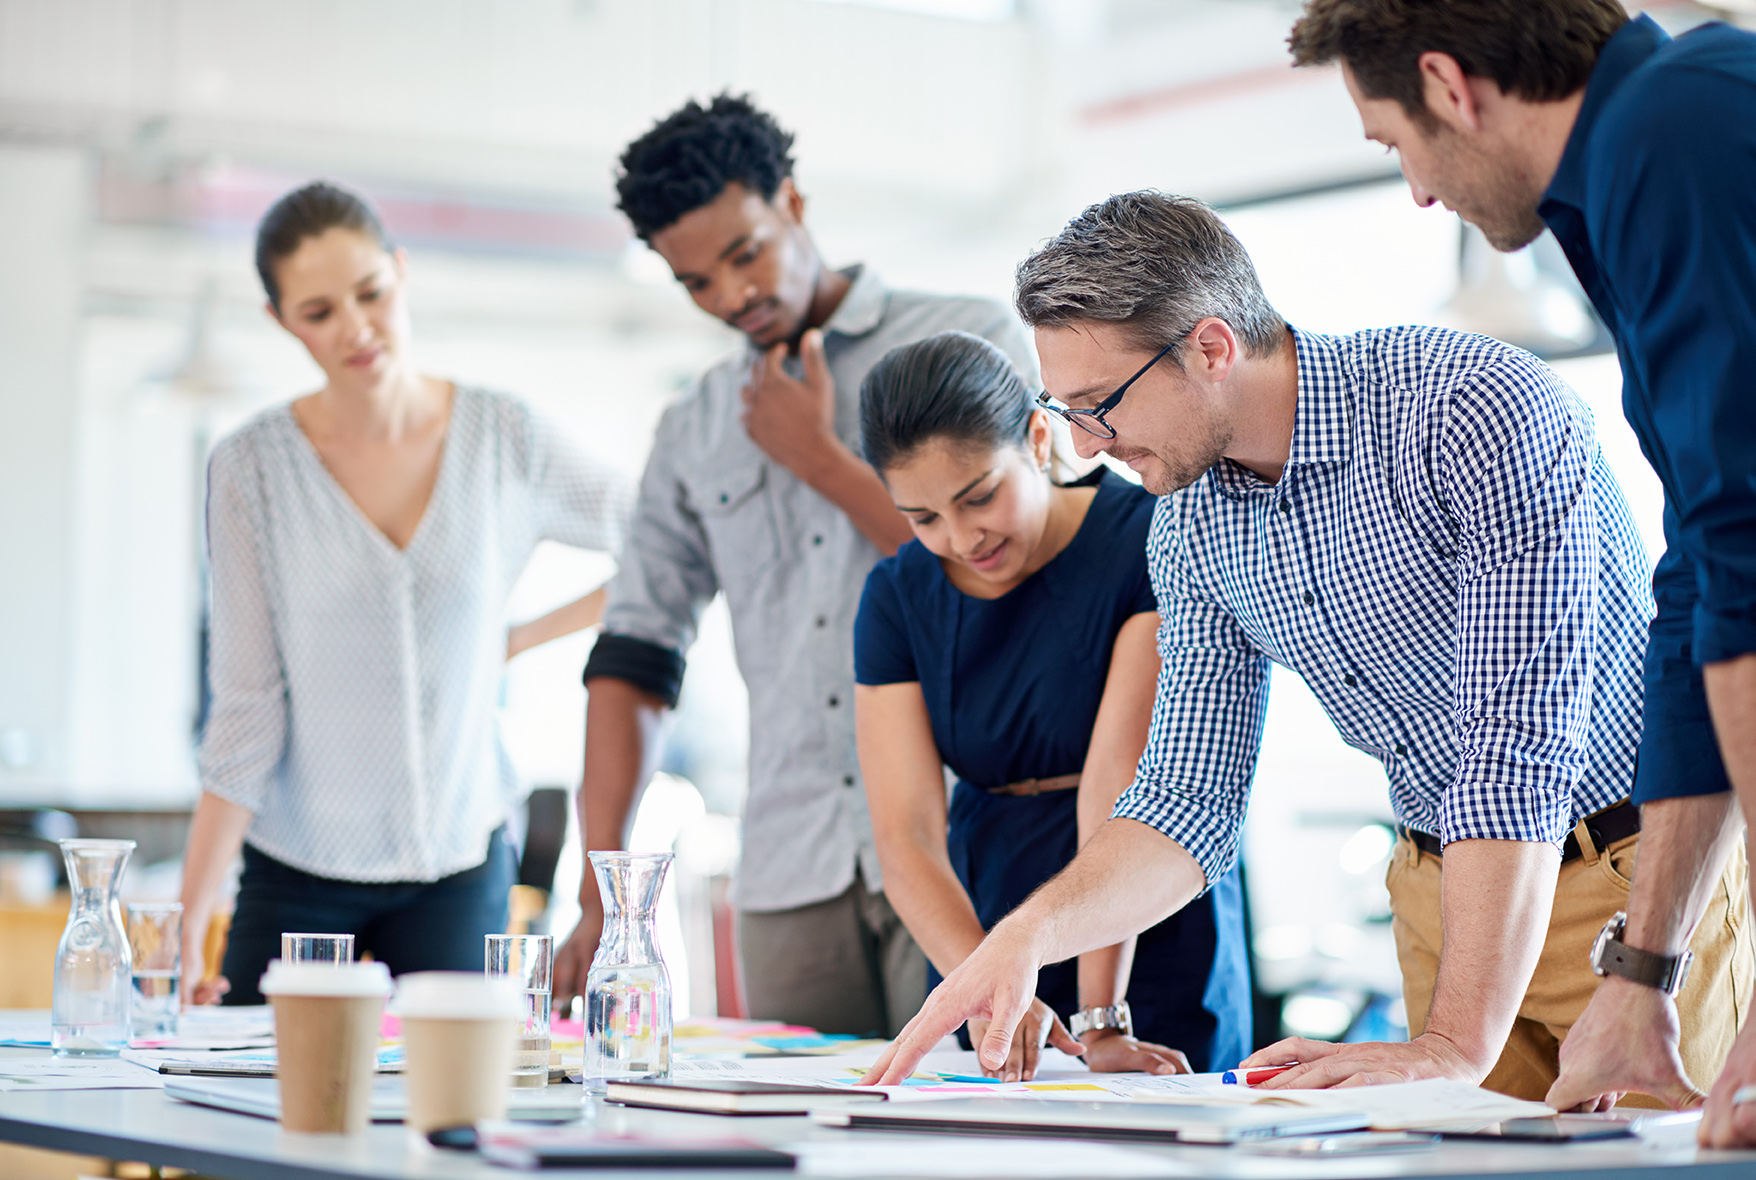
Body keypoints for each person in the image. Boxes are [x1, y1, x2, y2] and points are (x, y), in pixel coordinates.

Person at [862, 190, 1713, 1104]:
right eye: (1063, 409)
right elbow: (1184, 801)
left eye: (1098, 406)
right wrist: (1024, 938)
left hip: (1627, 885)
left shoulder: (1469, 411)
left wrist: (1453, 1042)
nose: (1082, 444)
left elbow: (1514, 745)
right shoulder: (1186, 525)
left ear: (1211, 348)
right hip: (1438, 896)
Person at [1285, 0, 1756, 1141]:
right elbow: (1699, 582)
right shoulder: (1618, 193)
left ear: (1448, 85)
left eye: (1394, 145)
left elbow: (1746, 556)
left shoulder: (1672, 125)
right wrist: (1639, 975)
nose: (1416, 190)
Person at [549, 95, 1039, 1036]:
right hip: (789, 867)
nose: (733, 296)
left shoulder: (967, 340)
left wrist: (818, 458)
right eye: (695, 281)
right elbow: (637, 654)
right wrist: (598, 887)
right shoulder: (692, 428)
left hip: (970, 848)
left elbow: (1013, 579)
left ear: (796, 204)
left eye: (745, 253)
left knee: (978, 1134)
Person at [178, 182, 630, 1006]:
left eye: (370, 293)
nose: (354, 328)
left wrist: (520, 636)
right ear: (281, 320)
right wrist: (187, 920)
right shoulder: (250, 469)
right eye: (317, 312)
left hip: (458, 868)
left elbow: (662, 541)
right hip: (299, 873)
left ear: (401, 271)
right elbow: (245, 709)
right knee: (260, 1110)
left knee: (449, 1119)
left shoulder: (504, 437)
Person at [853, 331, 1251, 1080]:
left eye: (979, 497)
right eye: (924, 517)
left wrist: (1103, 1021)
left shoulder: (1147, 535)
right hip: (986, 910)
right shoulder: (896, 597)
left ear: (1039, 437)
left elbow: (1118, 782)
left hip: (1142, 903)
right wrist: (985, 980)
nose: (961, 537)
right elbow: (905, 835)